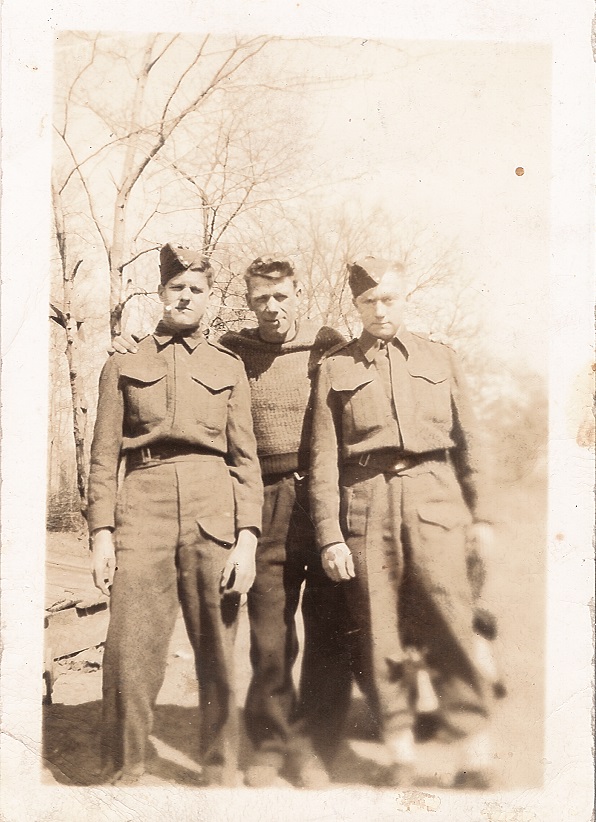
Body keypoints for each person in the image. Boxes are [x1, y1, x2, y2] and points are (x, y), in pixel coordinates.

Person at [113, 255, 353, 789]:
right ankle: (269, 743)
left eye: (282, 297)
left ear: (299, 293)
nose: (272, 308)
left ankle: (312, 748)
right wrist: (128, 339)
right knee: (269, 633)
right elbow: (181, 355)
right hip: (261, 497)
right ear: (247, 301)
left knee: (330, 630)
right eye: (261, 298)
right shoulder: (233, 350)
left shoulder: (329, 345)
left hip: (321, 495)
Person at [309, 256, 495, 789]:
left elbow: (472, 441)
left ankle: (474, 754)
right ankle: (400, 756)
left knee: (452, 623)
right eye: (369, 301)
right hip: (365, 503)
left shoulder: (441, 357)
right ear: (356, 306)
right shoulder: (335, 368)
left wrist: (481, 514)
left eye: (388, 299)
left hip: (435, 500)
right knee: (378, 630)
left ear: (403, 298)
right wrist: (329, 534)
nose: (379, 309)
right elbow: (322, 459)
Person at [88, 243, 263, 787]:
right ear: (161, 293)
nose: (186, 296)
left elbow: (245, 459)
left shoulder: (227, 365)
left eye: (197, 289)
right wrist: (101, 533)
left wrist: (248, 539)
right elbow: (101, 454)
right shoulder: (124, 360)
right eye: (177, 288)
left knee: (218, 645)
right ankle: (125, 764)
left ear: (209, 298)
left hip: (214, 509)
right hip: (143, 503)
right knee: (129, 647)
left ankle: (220, 768)